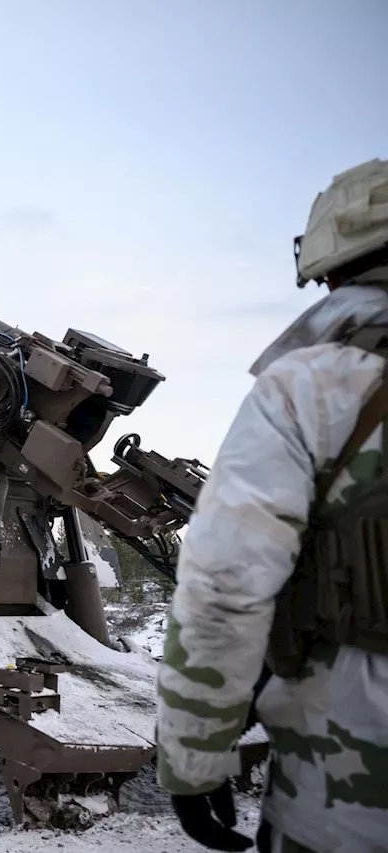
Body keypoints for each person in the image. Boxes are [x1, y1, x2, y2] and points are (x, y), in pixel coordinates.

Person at [156, 157, 388, 853]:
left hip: (352, 783)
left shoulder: (313, 387)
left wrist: (194, 763)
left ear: (329, 267)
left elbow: (225, 589)